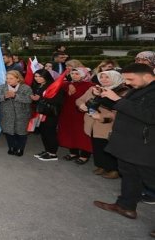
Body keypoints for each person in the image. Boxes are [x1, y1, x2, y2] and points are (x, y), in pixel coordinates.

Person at [92, 64, 155, 238]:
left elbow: (149, 116)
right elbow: (124, 108)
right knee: (129, 176)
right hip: (129, 143)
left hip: (146, 146)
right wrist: (104, 97)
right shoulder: (140, 87)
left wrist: (118, 100)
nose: (127, 83)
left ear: (146, 76)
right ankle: (126, 206)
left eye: (130, 79)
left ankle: (126, 205)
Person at [76, 70, 127, 179]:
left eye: (107, 77)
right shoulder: (95, 88)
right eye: (102, 77)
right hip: (93, 123)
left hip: (108, 125)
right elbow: (80, 100)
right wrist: (82, 105)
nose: (103, 79)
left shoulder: (122, 92)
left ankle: (114, 169)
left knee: (109, 147)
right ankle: (102, 165)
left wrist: (101, 117)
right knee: (97, 146)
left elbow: (119, 111)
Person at [58, 68, 94, 164]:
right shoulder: (68, 84)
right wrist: (69, 84)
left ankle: (84, 155)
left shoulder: (90, 86)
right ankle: (73, 152)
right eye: (72, 73)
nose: (74, 75)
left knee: (83, 134)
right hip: (67, 112)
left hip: (81, 113)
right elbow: (59, 84)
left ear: (83, 75)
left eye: (77, 73)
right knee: (70, 132)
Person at [0, 71, 33, 156]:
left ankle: (20, 148)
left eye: (11, 78)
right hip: (6, 114)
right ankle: (11, 147)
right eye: (7, 78)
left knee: (21, 132)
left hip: (22, 115)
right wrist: (5, 96)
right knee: (9, 132)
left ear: (18, 79)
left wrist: (15, 96)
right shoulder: (1, 87)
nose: (8, 80)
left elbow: (29, 99)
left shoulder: (26, 88)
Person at [31, 69, 65, 161]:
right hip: (40, 113)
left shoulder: (54, 86)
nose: (37, 78)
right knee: (43, 132)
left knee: (50, 133)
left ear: (46, 76)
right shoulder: (38, 85)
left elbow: (58, 100)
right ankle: (47, 151)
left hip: (50, 113)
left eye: (40, 76)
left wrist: (40, 98)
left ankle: (53, 153)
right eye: (36, 76)